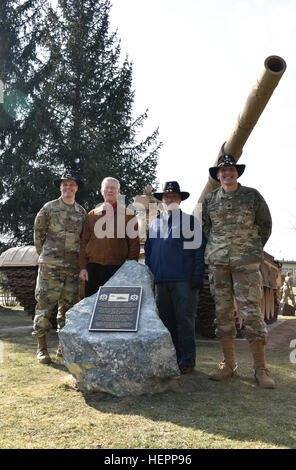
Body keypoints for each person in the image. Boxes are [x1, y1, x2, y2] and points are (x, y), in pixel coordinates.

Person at [202, 154, 275, 388]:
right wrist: (218, 249)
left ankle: (260, 369)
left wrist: (251, 248)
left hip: (246, 264)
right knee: (223, 313)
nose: (227, 174)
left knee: (251, 313)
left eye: (231, 170)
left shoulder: (252, 196)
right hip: (219, 264)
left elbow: (265, 225)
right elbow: (206, 228)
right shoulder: (210, 199)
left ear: (237, 172)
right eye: (223, 171)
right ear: (218, 175)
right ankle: (228, 365)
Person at [145, 181, 206, 374]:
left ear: (179, 200)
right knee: (166, 323)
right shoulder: (154, 224)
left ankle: (187, 361)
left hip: (183, 281)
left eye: (174, 197)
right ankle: (172, 359)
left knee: (185, 322)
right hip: (161, 282)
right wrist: (150, 274)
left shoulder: (189, 222)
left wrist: (197, 276)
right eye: (166, 197)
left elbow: (198, 251)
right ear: (162, 201)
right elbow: (149, 251)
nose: (170, 200)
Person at [33, 171, 87, 364]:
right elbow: (38, 233)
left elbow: (83, 240)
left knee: (68, 309)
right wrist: (45, 256)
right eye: (65, 184)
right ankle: (41, 348)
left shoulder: (81, 213)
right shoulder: (49, 208)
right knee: (44, 306)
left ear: (76, 188)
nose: (68, 188)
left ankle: (62, 347)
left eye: (71, 185)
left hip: (72, 269)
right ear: (60, 187)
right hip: (50, 267)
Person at [79, 177, 140, 296]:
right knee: (92, 308)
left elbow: (134, 244)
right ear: (101, 191)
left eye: (113, 188)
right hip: (93, 269)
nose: (109, 190)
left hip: (118, 268)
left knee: (114, 307)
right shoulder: (91, 215)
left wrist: (130, 268)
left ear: (118, 191)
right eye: (106, 188)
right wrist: (83, 267)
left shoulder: (128, 215)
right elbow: (84, 242)